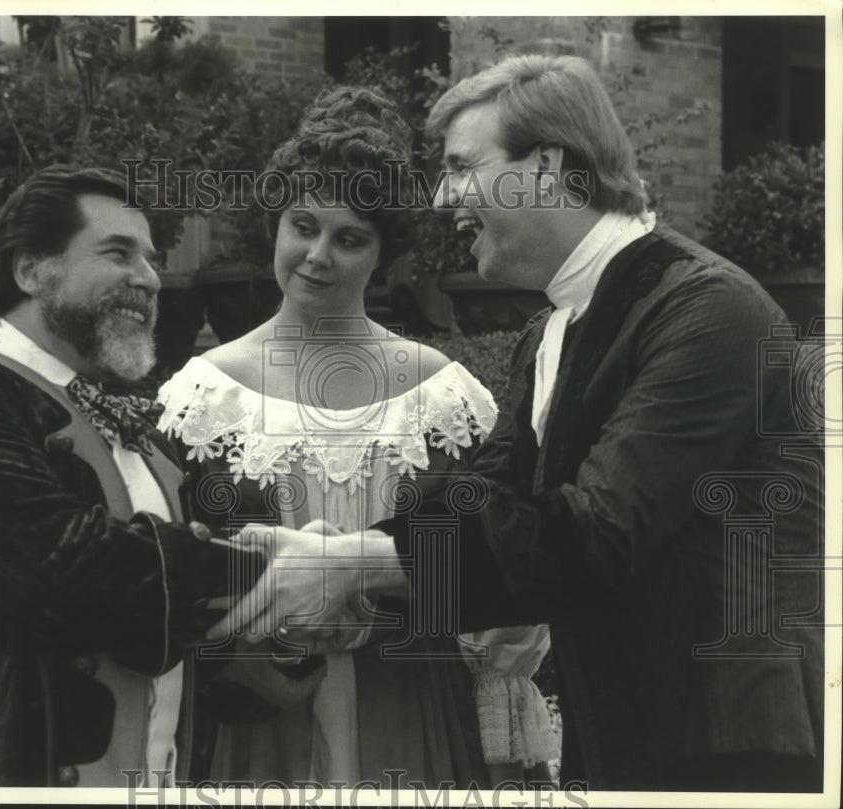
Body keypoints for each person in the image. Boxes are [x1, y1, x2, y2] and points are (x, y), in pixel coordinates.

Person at [215, 55, 825, 792]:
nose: (444, 196)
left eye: (463, 167)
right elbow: (486, 507)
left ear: (545, 167)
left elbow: (596, 530)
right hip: (623, 734)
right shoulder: (550, 333)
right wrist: (332, 547)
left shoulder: (707, 308)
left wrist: (355, 565)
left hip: (733, 748)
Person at [156, 86, 557, 788]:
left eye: (349, 238)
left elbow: (502, 558)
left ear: (384, 255)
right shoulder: (199, 395)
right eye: (303, 226)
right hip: (258, 725)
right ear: (274, 226)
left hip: (414, 714)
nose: (318, 255)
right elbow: (170, 571)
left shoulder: (443, 397)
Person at [0, 165, 265, 787]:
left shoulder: (134, 429)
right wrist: (271, 568)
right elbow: (63, 572)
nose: (150, 279)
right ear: (30, 270)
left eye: (151, 260)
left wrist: (287, 632)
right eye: (118, 253)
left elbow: (162, 631)